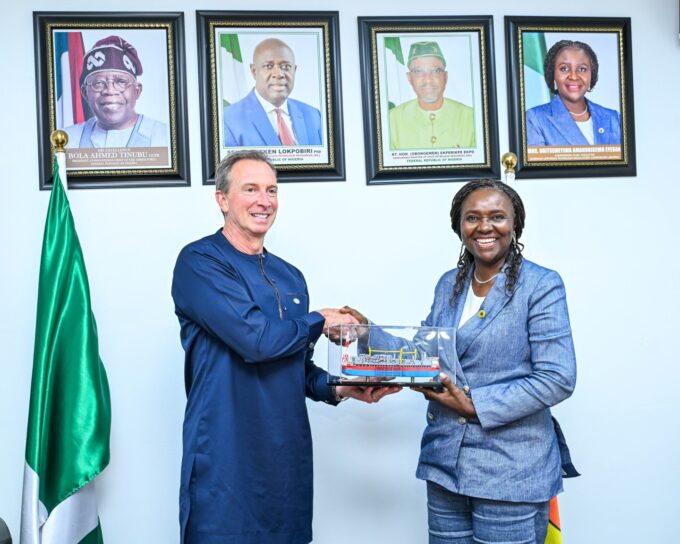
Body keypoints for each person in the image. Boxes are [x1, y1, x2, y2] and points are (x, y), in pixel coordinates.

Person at [171, 150, 397, 544]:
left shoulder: (289, 276)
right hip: (224, 461)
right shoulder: (200, 262)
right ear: (222, 199)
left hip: (285, 464)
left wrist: (340, 387)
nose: (264, 201)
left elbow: (295, 367)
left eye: (271, 190)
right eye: (250, 189)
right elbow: (256, 341)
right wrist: (319, 319)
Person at [344, 179, 577, 543]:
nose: (485, 226)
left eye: (497, 216)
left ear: (515, 223)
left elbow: (557, 377)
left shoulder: (540, 285)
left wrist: (474, 405)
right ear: (459, 226)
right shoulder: (448, 284)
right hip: (445, 465)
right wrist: (366, 333)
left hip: (511, 471)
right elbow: (424, 355)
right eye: (472, 217)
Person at [63, 35, 168, 148]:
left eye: (121, 82)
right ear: (85, 93)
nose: (110, 91)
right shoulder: (65, 140)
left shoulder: (166, 136)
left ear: (137, 91)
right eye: (98, 83)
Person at [224, 38, 323, 147]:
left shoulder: (314, 115)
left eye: (286, 67)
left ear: (294, 70)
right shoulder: (228, 120)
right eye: (269, 66)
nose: (279, 74)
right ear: (254, 71)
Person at [526, 39, 621, 146]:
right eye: (564, 69)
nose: (574, 76)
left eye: (582, 69)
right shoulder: (535, 119)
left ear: (592, 74)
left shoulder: (613, 118)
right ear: (552, 74)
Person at [389, 41, 475, 150]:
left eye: (436, 71)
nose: (428, 80)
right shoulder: (391, 120)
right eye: (418, 71)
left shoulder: (471, 118)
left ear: (445, 77)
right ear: (409, 78)